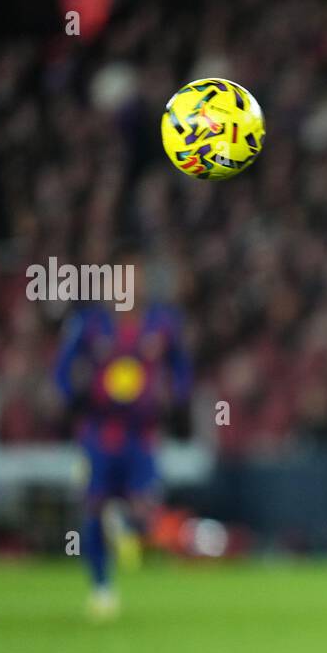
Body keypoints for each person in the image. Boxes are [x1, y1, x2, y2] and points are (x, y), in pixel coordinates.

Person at [54, 257, 191, 619]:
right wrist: (75, 399)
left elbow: (181, 368)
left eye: (135, 279)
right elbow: (63, 370)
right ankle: (102, 587)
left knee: (145, 509)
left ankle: (128, 531)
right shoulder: (89, 324)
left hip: (142, 434)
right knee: (94, 506)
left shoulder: (163, 323)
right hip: (100, 433)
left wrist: (175, 396)